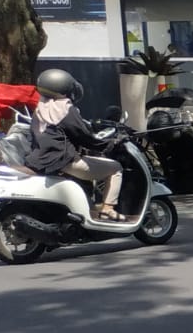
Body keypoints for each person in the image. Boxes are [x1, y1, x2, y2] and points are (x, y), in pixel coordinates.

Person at [25, 68, 124, 220]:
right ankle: (107, 209)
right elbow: (83, 136)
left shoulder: (40, 108)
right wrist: (109, 144)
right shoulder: (64, 108)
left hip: (39, 161)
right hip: (63, 160)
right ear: (63, 87)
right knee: (115, 168)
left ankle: (89, 207)